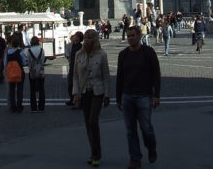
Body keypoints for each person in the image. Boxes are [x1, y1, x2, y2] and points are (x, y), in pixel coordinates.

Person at [116, 26, 160, 168]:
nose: (130, 38)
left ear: (139, 36)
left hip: (144, 96)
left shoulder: (148, 52)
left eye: (132, 36)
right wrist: (118, 97)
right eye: (128, 36)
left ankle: (151, 148)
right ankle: (135, 158)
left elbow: (156, 74)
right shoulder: (123, 54)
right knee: (130, 130)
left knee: (146, 128)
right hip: (127, 95)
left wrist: (156, 95)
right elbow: (119, 77)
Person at [73, 29, 110, 167]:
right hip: (84, 91)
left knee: (93, 121)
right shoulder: (78, 54)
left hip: (97, 91)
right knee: (88, 123)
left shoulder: (102, 55)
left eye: (89, 38)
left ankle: (96, 154)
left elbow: (106, 76)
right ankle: (94, 151)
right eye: (85, 38)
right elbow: (75, 76)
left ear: (94, 40)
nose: (86, 40)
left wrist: (107, 95)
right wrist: (75, 93)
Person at [5, 33, 27, 112]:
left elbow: (6, 63)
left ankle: (12, 105)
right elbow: (24, 63)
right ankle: (19, 105)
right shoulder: (20, 52)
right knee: (20, 89)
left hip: (10, 72)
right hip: (19, 72)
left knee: (12, 89)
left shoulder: (8, 52)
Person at [27, 36, 46, 112]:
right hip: (40, 71)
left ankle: (33, 107)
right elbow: (42, 60)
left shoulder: (29, 50)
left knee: (32, 89)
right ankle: (41, 106)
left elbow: (29, 61)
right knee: (41, 89)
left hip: (32, 71)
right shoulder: (42, 50)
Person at [66, 31, 84, 107]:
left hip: (77, 67)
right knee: (71, 84)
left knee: (76, 84)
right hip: (72, 66)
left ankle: (77, 101)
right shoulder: (73, 45)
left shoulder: (80, 46)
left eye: (76, 36)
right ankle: (72, 99)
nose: (74, 37)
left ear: (79, 38)